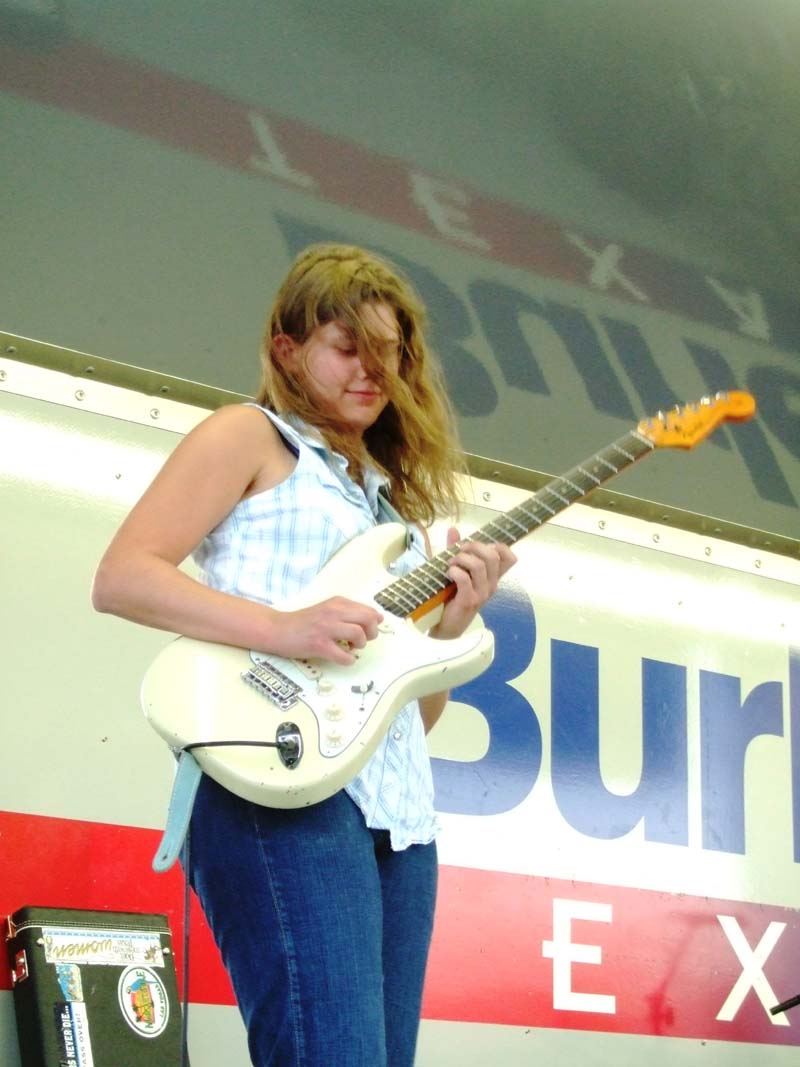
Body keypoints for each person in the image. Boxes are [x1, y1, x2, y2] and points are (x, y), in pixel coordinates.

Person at [92, 243, 516, 1066]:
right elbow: (122, 576)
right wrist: (287, 628)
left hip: (399, 816)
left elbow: (412, 716)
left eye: (389, 353)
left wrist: (452, 629)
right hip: (275, 785)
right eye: (347, 346)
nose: (372, 370)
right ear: (288, 349)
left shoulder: (393, 508)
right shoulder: (248, 437)